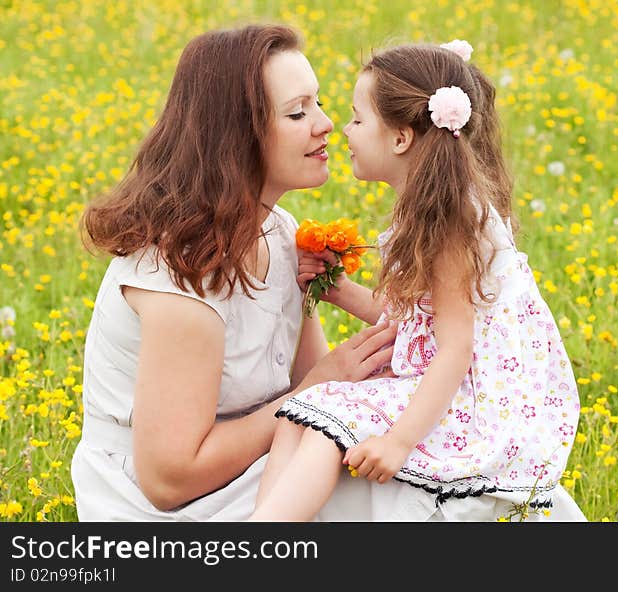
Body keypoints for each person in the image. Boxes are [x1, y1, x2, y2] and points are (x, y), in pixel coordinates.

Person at [70, 23, 431, 521]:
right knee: (402, 501)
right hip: (171, 511)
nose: (326, 124)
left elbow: (312, 383)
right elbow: (168, 481)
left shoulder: (279, 232)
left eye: (320, 104)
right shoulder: (179, 277)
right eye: (298, 112)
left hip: (262, 461)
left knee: (436, 472)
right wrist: (315, 391)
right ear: (237, 134)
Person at [249, 41, 585, 522]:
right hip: (441, 380)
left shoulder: (451, 223)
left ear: (401, 139)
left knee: (325, 424)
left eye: (357, 119)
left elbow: (454, 349)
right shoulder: (428, 211)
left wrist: (397, 442)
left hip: (470, 400)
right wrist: (338, 289)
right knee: (298, 414)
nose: (341, 130)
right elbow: (411, 320)